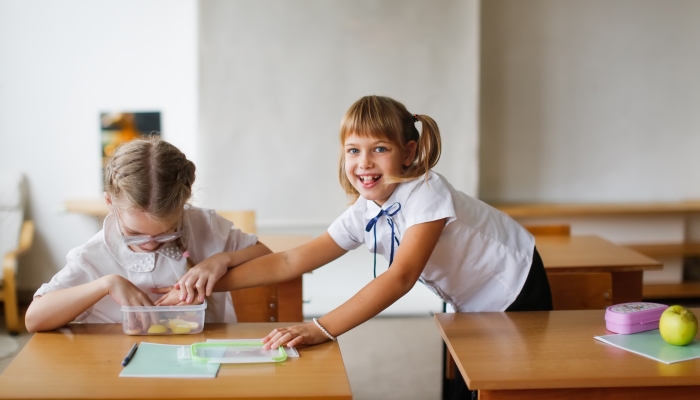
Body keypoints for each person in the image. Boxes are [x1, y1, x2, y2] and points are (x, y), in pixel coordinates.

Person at [170, 95, 553, 349]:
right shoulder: (365, 211)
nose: (364, 162)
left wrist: (320, 328)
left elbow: (400, 277)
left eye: (379, 149)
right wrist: (206, 286)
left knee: (501, 377)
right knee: (462, 374)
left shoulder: (427, 192)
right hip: (467, 297)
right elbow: (290, 261)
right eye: (353, 150)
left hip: (513, 282)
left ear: (409, 153)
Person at [24, 137, 271, 333]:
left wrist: (221, 260)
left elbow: (266, 256)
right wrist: (106, 284)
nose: (151, 244)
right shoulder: (93, 255)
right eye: (135, 233)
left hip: (202, 354)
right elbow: (34, 319)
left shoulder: (203, 224)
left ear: (183, 205)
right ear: (110, 202)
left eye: (166, 233)